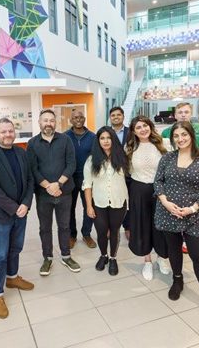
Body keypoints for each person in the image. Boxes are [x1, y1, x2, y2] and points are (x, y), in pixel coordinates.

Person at [154, 121, 199, 329]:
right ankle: (177, 280)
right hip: (169, 213)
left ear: (191, 135)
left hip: (195, 215)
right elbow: (158, 182)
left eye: (184, 135)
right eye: (176, 136)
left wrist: (193, 208)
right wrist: (166, 202)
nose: (180, 139)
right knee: (174, 250)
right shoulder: (167, 158)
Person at [0, 118, 35, 319]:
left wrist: (26, 203)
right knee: (1, 254)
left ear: (15, 132)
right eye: (3, 132)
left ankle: (12, 277)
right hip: (2, 215)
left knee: (16, 248)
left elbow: (30, 180)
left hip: (21, 211)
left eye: (10, 131)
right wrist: (15, 208)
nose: (8, 135)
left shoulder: (21, 152)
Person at [27, 109, 80, 276]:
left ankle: (66, 256)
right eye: (45, 120)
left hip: (64, 192)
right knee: (45, 228)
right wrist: (48, 186)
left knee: (64, 226)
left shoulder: (65, 140)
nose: (48, 123)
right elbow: (32, 169)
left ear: (55, 123)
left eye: (51, 120)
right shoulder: (32, 143)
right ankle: (47, 258)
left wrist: (58, 184)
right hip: (43, 194)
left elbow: (71, 164)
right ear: (39, 123)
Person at [161, 102, 199, 255]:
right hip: (174, 178)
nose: (183, 114)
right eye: (180, 112)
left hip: (195, 178)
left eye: (186, 112)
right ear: (175, 115)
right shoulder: (166, 132)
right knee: (175, 220)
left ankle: (188, 241)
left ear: (191, 114)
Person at [125, 116, 170, 281]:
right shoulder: (129, 148)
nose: (143, 129)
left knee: (162, 226)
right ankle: (147, 261)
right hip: (139, 190)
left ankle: (163, 258)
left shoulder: (164, 144)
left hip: (161, 191)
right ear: (133, 131)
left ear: (150, 126)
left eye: (145, 125)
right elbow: (127, 172)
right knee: (142, 226)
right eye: (138, 127)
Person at [83, 127, 128, 276]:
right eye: (102, 138)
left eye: (109, 137)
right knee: (101, 232)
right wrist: (89, 206)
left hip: (118, 201)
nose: (106, 141)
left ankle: (113, 258)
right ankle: (104, 255)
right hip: (99, 203)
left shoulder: (123, 157)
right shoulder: (91, 160)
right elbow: (87, 185)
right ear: (98, 141)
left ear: (113, 139)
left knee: (114, 231)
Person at [65, 110, 96, 249]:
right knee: (69, 209)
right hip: (69, 178)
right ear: (70, 120)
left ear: (84, 118)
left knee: (89, 207)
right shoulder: (64, 137)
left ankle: (86, 234)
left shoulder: (93, 137)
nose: (78, 119)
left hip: (87, 179)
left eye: (81, 117)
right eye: (75, 117)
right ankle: (72, 235)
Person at [109, 106, 131, 240]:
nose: (116, 117)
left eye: (118, 115)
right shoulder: (106, 133)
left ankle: (128, 227)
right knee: (112, 200)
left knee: (127, 201)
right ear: (110, 118)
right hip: (111, 173)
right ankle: (111, 228)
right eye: (113, 115)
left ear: (123, 116)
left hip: (128, 172)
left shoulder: (131, 132)